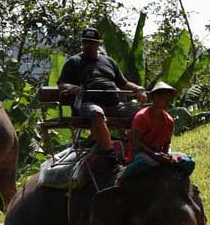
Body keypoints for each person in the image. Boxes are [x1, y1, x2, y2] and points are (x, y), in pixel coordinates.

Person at [57, 27, 146, 171]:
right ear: (82, 43)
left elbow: (123, 83)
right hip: (87, 104)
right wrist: (71, 87)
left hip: (115, 105)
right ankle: (111, 157)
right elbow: (61, 84)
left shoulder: (109, 61)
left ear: (99, 44)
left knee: (141, 114)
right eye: (85, 42)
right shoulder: (74, 62)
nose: (88, 46)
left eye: (92, 43)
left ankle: (140, 150)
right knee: (96, 112)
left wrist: (138, 89)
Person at [120, 81, 195, 182]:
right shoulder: (142, 116)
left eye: (169, 99)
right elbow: (135, 142)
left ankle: (178, 183)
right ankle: (121, 179)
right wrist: (154, 154)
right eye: (165, 99)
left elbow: (167, 143)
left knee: (189, 161)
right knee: (144, 163)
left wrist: (167, 155)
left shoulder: (169, 120)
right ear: (155, 97)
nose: (168, 102)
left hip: (159, 154)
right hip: (143, 154)